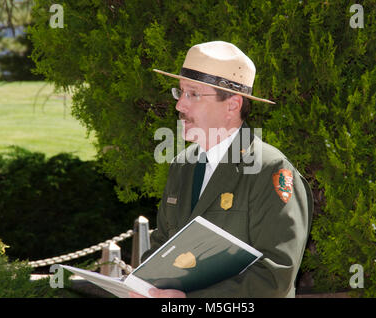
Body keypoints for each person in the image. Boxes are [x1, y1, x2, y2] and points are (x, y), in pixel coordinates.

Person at [129, 41, 313, 298]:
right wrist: (142, 285)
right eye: (180, 92)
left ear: (232, 105)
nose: (179, 106)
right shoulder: (182, 165)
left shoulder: (269, 169)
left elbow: (276, 276)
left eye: (192, 94)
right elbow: (162, 246)